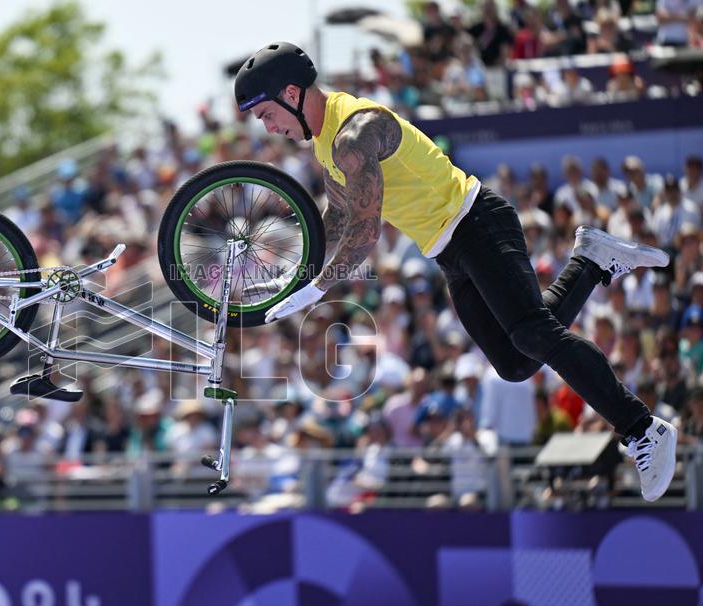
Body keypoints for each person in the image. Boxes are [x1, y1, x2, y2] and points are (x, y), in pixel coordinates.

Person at [234, 41, 677, 502]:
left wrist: (315, 288)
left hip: (477, 223)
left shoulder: (354, 132)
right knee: (515, 362)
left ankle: (641, 428)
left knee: (530, 333)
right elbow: (339, 217)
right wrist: (292, 273)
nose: (269, 127)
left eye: (267, 114)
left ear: (290, 93)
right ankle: (590, 261)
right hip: (448, 249)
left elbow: (365, 234)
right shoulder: (325, 142)